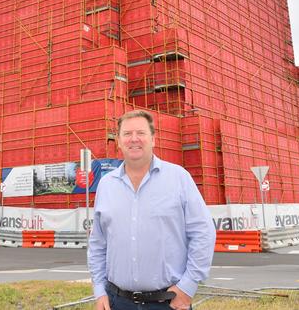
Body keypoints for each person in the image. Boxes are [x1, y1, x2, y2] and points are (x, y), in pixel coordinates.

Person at [88, 110, 216, 310]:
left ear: (153, 139)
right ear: (119, 142)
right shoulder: (106, 186)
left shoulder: (179, 178)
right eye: (127, 134)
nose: (134, 139)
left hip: (168, 302)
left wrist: (188, 287)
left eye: (140, 133)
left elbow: (203, 233)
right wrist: (99, 290)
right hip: (117, 302)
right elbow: (98, 243)